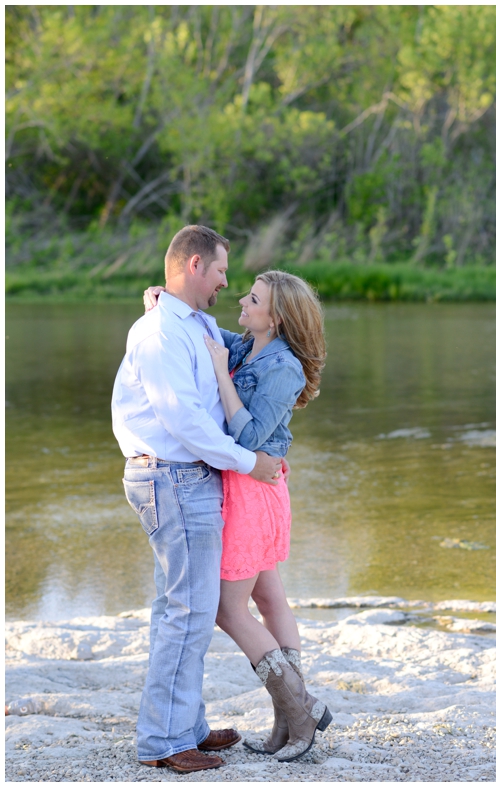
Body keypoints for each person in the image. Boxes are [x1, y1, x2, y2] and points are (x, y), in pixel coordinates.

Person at [112, 225, 284, 773]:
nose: (225, 283)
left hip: (187, 477)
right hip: (173, 476)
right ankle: (163, 743)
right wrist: (249, 462)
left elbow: (240, 355)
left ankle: (186, 724)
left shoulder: (192, 321)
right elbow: (183, 421)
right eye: (219, 271)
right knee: (187, 612)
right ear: (193, 266)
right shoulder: (163, 332)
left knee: (183, 608)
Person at [143, 270, 331, 763]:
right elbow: (201, 329)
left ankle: (300, 707)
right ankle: (289, 721)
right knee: (269, 596)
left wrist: (223, 376)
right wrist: (165, 301)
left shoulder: (283, 367)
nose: (240, 301)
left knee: (228, 609)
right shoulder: (247, 343)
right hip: (245, 485)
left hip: (254, 489)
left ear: (277, 316)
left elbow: (248, 440)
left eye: (253, 298)